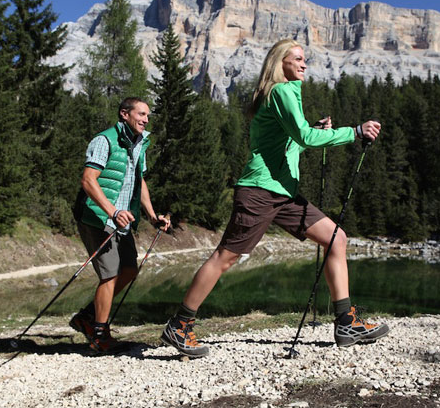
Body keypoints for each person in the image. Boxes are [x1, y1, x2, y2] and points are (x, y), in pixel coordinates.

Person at [161, 39, 389, 357]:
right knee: (225, 257)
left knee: (336, 239)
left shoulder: (282, 94)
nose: (304, 63)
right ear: (280, 62)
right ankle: (180, 325)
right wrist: (354, 132)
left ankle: (346, 321)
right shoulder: (282, 91)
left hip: (283, 194)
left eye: (304, 59)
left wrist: (312, 129)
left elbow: (293, 142)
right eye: (297, 58)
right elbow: (305, 139)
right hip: (259, 192)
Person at [70, 97, 170, 353]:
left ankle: (87, 318)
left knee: (128, 270)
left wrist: (152, 215)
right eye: (141, 114)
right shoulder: (104, 140)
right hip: (98, 217)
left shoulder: (139, 144)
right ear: (124, 114)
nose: (146, 119)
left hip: (122, 220)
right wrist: (112, 212)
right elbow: (88, 181)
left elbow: (140, 181)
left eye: (148, 115)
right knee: (110, 274)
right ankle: (99, 334)